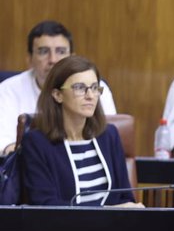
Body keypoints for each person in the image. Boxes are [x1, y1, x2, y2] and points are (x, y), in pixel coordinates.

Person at [21, 56, 142, 207]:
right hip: (62, 229)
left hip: (113, 228)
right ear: (57, 95)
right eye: (79, 88)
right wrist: (105, 211)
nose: (90, 96)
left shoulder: (109, 135)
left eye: (94, 87)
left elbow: (125, 197)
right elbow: (45, 204)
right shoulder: (37, 143)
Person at [0, 20, 117, 155]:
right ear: (29, 59)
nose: (53, 59)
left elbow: (107, 138)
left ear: (72, 57)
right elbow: (4, 144)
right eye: (43, 51)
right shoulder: (7, 90)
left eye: (61, 51)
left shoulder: (95, 88)